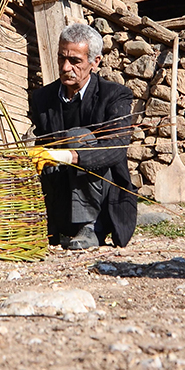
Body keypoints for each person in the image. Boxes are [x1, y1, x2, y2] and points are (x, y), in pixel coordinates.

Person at [28, 23, 136, 250]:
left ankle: (91, 226)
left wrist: (66, 156)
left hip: (102, 197)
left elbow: (115, 148)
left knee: (78, 136)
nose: (66, 67)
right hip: (60, 192)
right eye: (61, 58)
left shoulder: (115, 95)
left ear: (95, 62)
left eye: (75, 61)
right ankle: (54, 225)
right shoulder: (42, 98)